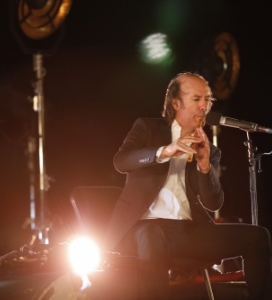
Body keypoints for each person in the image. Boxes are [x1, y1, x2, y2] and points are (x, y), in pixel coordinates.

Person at [103, 72, 272, 300]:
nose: (204, 106)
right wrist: (165, 151)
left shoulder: (209, 149)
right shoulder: (147, 128)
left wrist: (205, 167)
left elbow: (213, 203)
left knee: (258, 236)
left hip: (186, 230)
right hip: (142, 227)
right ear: (176, 103)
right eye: (196, 99)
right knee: (151, 234)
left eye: (208, 99)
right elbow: (121, 161)